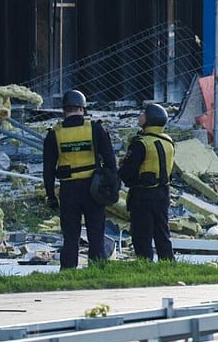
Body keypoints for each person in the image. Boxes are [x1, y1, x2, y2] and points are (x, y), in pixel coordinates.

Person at [43, 89, 117, 270]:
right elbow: (110, 161)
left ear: (64, 110)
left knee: (70, 235)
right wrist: (110, 186)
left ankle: (68, 270)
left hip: (68, 189)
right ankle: (97, 270)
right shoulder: (95, 128)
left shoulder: (55, 134)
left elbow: (48, 169)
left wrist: (51, 195)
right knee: (96, 233)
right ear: (82, 109)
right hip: (93, 188)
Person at [118, 103, 176, 262]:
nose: (140, 116)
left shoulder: (141, 143)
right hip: (163, 193)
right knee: (162, 232)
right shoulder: (168, 141)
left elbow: (127, 172)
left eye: (143, 113)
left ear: (149, 120)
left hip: (143, 194)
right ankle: (168, 262)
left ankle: (145, 263)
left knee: (141, 234)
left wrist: (121, 169)